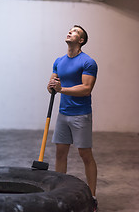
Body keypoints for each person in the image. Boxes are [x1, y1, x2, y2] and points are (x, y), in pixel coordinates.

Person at [47, 25, 98, 212]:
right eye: (69, 30)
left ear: (81, 40)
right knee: (60, 154)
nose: (70, 32)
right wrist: (52, 85)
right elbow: (53, 85)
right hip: (63, 114)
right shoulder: (59, 61)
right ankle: (58, 196)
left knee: (85, 155)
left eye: (75, 31)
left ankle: (92, 197)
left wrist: (62, 90)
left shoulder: (88, 62)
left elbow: (86, 88)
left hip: (81, 115)